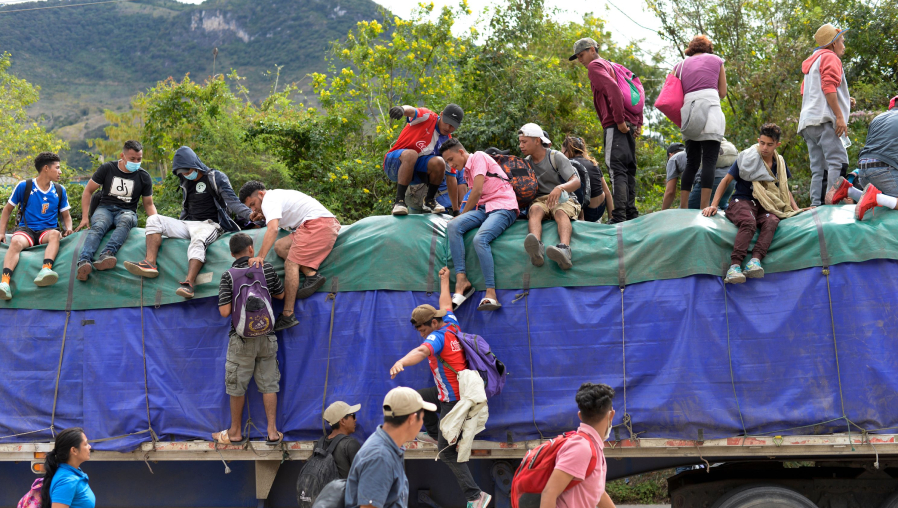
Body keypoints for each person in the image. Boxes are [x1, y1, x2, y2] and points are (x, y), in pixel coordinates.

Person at [389, 267, 492, 508]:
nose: (422, 335)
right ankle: (435, 434)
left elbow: (422, 351)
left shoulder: (436, 337)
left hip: (452, 398)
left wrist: (401, 362)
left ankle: (475, 496)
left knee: (446, 453)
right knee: (413, 398)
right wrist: (444, 281)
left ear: (433, 323)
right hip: (455, 392)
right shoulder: (451, 324)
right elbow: (446, 303)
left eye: (423, 329)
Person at [124, 146, 253, 299]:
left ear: (195, 164)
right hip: (188, 223)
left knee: (198, 240)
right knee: (154, 219)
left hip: (210, 224)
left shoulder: (216, 177)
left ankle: (189, 284)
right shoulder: (186, 182)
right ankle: (150, 263)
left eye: (188, 170)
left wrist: (250, 214)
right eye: (183, 172)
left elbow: (233, 203)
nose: (186, 174)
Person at [702, 124, 806, 283]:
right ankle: (734, 267)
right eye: (762, 143)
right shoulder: (746, 157)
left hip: (766, 204)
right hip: (742, 201)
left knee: (772, 220)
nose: (765, 147)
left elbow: (783, 188)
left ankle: (754, 261)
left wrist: (796, 209)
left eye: (770, 144)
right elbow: (726, 181)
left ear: (777, 145)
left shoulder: (780, 162)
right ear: (758, 141)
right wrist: (714, 205)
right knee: (749, 222)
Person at [213, 233, 286, 445]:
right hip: (267, 337)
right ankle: (272, 432)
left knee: (236, 385)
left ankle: (235, 432)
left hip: (241, 340)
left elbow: (225, 312)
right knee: (269, 383)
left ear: (232, 254)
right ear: (252, 249)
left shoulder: (228, 275)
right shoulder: (267, 268)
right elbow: (280, 295)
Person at [238, 181, 340, 330]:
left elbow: (272, 230)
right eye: (250, 207)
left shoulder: (269, 200)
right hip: (316, 224)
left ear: (261, 194)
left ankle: (288, 315)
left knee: (290, 263)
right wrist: (261, 215)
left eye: (253, 204)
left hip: (319, 224)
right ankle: (311, 274)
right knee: (280, 246)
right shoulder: (274, 197)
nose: (253, 209)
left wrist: (260, 256)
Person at [571, 38, 643, 224]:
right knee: (628, 170)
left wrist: (618, 121)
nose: (580, 60)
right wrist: (638, 123)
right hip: (628, 124)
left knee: (616, 169)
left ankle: (619, 216)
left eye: (582, 54)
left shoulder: (595, 66)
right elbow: (636, 89)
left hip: (615, 125)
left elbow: (613, 90)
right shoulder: (613, 66)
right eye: (578, 57)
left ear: (593, 50)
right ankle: (631, 213)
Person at [441, 139, 519, 311]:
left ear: (461, 152)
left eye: (451, 159)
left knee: (480, 239)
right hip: (484, 208)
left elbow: (476, 192)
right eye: (448, 163)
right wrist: (457, 219)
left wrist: (460, 215)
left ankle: (491, 292)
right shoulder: (467, 170)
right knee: (453, 226)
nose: (451, 165)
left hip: (503, 206)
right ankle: (462, 280)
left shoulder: (478, 157)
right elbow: (475, 198)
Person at [74, 140, 156, 281]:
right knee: (98, 225)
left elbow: (148, 204)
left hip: (127, 211)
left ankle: (107, 255)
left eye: (139, 159)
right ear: (122, 156)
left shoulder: (144, 176)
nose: (136, 162)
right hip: (105, 208)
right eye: (132, 159)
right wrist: (85, 217)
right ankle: (84, 261)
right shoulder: (107, 168)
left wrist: (157, 222)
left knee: (126, 221)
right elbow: (88, 191)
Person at [0, 152, 73, 300]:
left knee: (55, 234)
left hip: (47, 232)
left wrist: (69, 228)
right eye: (57, 168)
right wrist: (1, 232)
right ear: (46, 168)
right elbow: (7, 210)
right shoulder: (24, 186)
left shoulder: (59, 190)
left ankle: (46, 270)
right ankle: (4, 284)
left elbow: (66, 216)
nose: (60, 172)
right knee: (15, 241)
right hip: (26, 230)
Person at [344, 387, 433, 508]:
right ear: (412, 419)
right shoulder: (380, 457)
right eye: (422, 418)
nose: (422, 423)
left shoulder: (389, 449)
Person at [798, 23, 853, 206]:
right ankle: (833, 204)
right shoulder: (830, 57)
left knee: (818, 168)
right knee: (838, 162)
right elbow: (828, 86)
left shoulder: (813, 61)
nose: (843, 45)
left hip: (808, 122)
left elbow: (809, 92)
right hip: (825, 121)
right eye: (842, 41)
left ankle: (816, 205)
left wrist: (845, 100)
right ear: (833, 43)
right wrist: (839, 116)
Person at [539, 383, 615, 508]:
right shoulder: (581, 448)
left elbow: (598, 492)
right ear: (611, 415)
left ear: (580, 415)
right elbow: (549, 494)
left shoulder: (593, 446)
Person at [674, 35, 728, 209]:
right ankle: (705, 206)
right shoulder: (717, 60)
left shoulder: (679, 66)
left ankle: (683, 207)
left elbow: (676, 94)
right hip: (711, 110)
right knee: (710, 161)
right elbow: (722, 92)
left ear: (691, 49)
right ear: (708, 48)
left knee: (692, 162)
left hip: (689, 114)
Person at [519, 123, 581, 270]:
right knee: (534, 210)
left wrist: (560, 187)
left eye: (524, 142)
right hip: (541, 201)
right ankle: (537, 249)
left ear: (537, 141)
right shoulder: (526, 163)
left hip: (564, 198)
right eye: (520, 142)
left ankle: (565, 249)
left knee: (560, 212)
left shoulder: (555, 156)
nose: (521, 145)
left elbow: (576, 181)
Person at [384, 103, 465, 216]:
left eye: (452, 126)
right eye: (446, 122)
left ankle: (429, 200)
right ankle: (399, 202)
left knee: (439, 162)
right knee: (412, 154)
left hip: (414, 173)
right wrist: (402, 109)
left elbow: (451, 179)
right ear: (441, 115)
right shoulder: (428, 117)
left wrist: (456, 210)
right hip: (394, 163)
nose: (447, 128)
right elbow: (412, 111)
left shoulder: (446, 143)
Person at [828, 95, 898, 220]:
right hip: (885, 170)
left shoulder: (878, 118)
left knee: (889, 202)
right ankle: (876, 196)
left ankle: (849, 191)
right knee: (887, 201)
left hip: (863, 170)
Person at [40, 427, 95, 508]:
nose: (89, 447)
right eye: (86, 444)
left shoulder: (73, 473)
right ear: (74, 450)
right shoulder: (67, 481)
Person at [561, 136, 612, 222]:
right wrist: (612, 218)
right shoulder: (593, 163)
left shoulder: (570, 164)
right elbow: (607, 192)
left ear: (568, 150)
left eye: (563, 153)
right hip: (600, 209)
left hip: (587, 212)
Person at [687, 140, 737, 210]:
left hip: (713, 181)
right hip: (730, 181)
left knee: (686, 209)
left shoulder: (688, 153)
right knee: (721, 206)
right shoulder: (723, 144)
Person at [322, 400, 364, 479]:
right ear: (342, 421)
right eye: (353, 416)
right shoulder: (351, 444)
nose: (355, 420)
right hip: (344, 491)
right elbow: (362, 478)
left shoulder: (320, 444)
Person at [662, 143, 687, 210]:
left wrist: (662, 213)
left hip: (701, 185)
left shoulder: (673, 159)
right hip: (714, 184)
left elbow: (670, 192)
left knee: (682, 215)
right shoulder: (691, 154)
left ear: (670, 155)